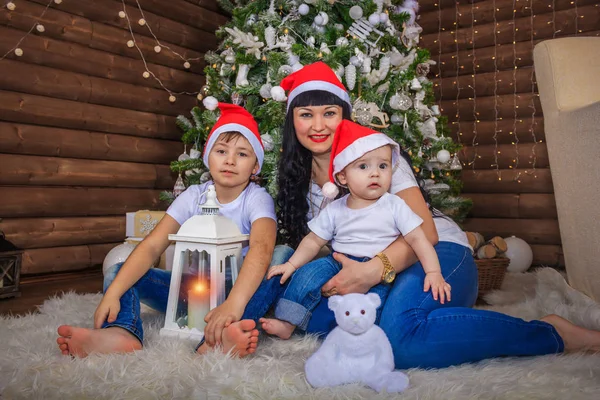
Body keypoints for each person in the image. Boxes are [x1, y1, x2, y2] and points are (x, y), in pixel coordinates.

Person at [249, 61, 600, 368]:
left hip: (435, 253)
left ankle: (551, 333)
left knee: (397, 343)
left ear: (344, 116)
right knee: (314, 316)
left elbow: (425, 233)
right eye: (306, 114)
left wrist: (374, 270)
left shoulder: (377, 159)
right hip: (370, 270)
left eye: (329, 112)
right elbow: (321, 242)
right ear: (292, 119)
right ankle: (428, 320)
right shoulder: (297, 179)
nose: (318, 124)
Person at [56, 103, 283, 358]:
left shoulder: (256, 198)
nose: (230, 160)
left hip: (238, 290)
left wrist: (234, 304)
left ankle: (222, 335)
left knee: (281, 258)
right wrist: (114, 293)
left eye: (242, 154)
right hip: (192, 291)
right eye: (221, 151)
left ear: (255, 167)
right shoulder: (193, 196)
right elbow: (153, 245)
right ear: (208, 157)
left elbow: (263, 248)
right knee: (120, 272)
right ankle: (121, 332)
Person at [262, 120, 451, 339]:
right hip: (336, 261)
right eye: (363, 166)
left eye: (383, 166)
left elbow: (419, 239)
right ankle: (288, 322)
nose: (375, 174)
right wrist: (291, 264)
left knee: (375, 304)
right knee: (305, 276)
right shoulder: (335, 209)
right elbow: (314, 241)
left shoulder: (394, 205)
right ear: (343, 177)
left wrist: (434, 272)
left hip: (377, 267)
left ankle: (365, 336)